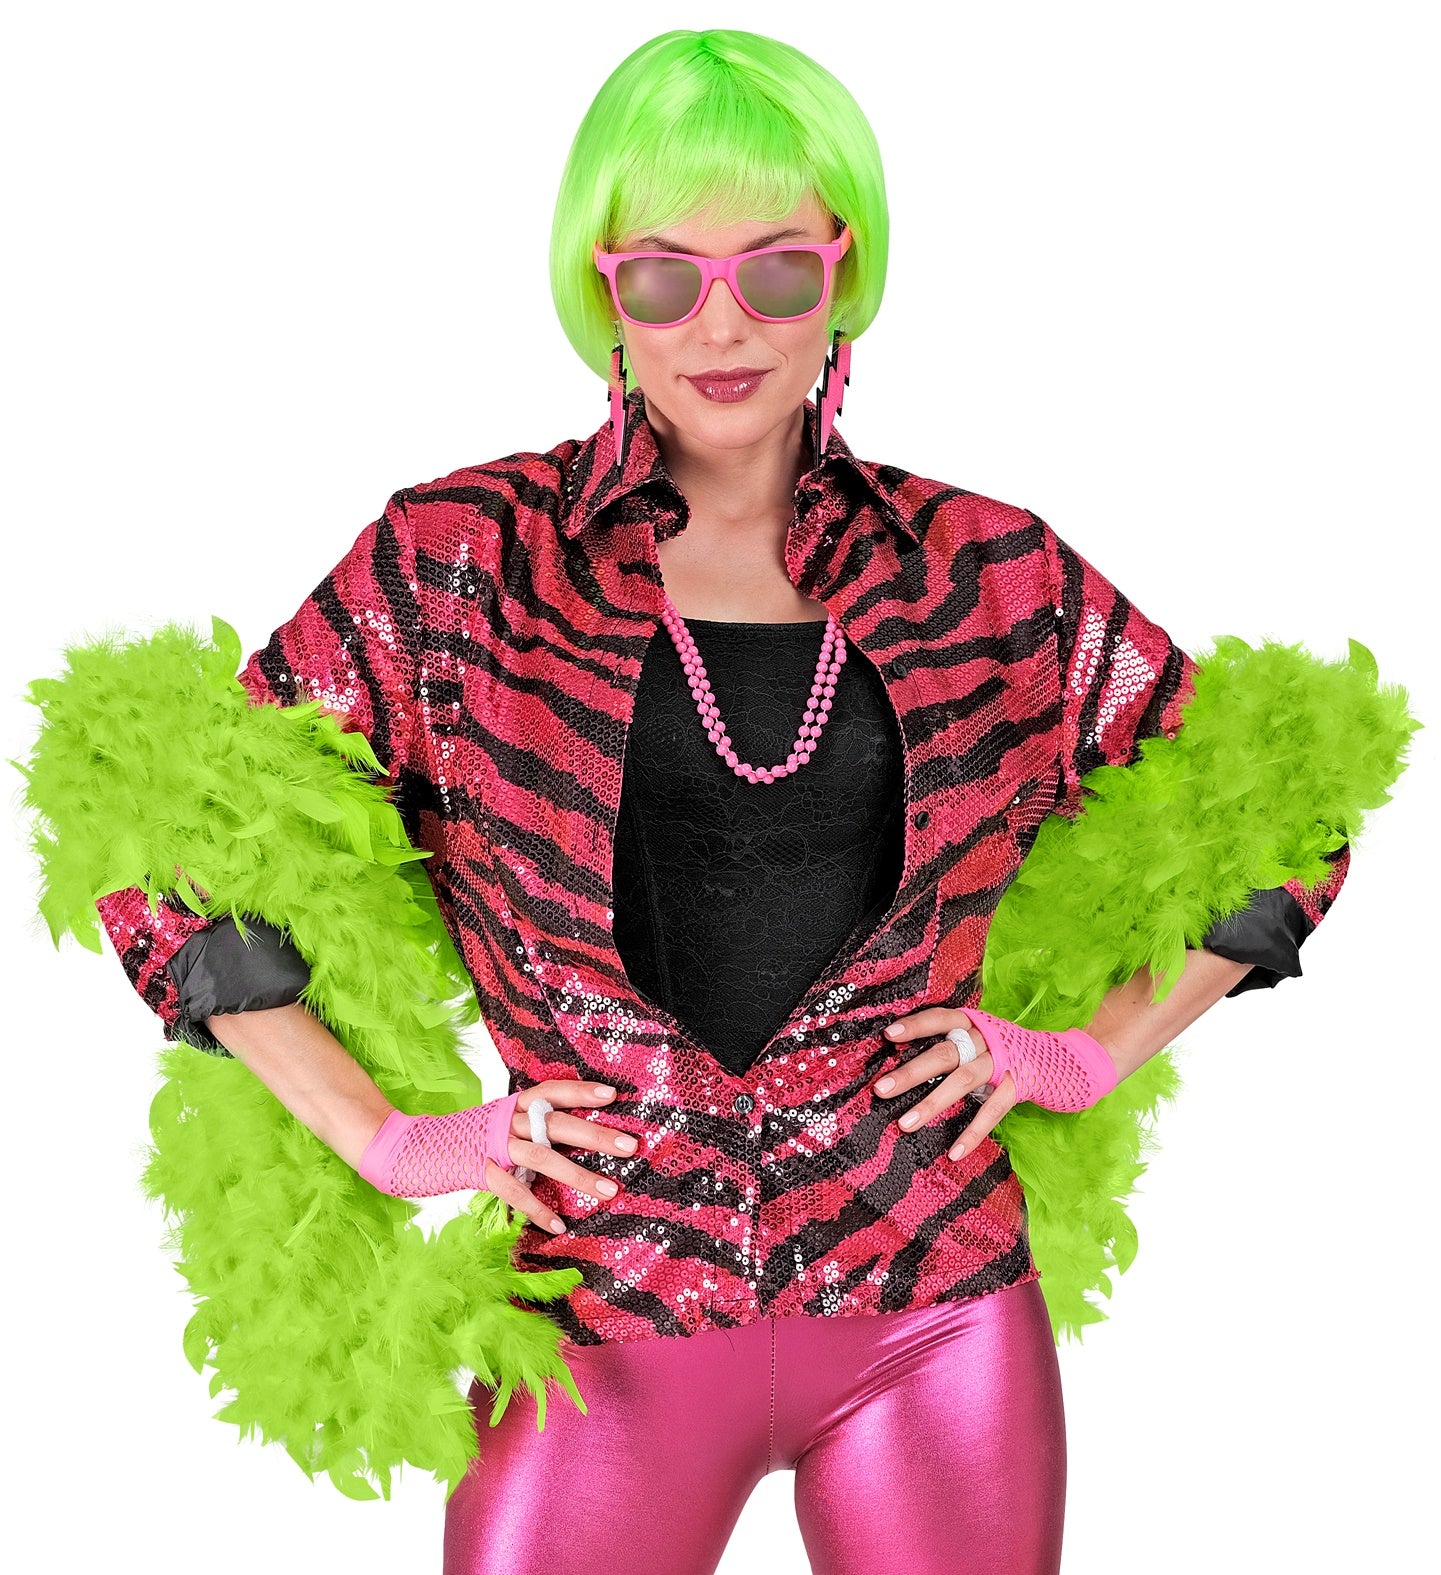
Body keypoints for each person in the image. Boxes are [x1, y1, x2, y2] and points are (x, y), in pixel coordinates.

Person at [28, 27, 1407, 1575]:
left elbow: (1281, 802)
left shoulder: (986, 571)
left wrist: (1089, 1055)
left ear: (844, 273)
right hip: (598, 1323)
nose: (723, 323)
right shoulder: (459, 564)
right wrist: (385, 1140)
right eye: (665, 278)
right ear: (602, 287)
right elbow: (158, 836)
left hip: (935, 1312)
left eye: (777, 271)